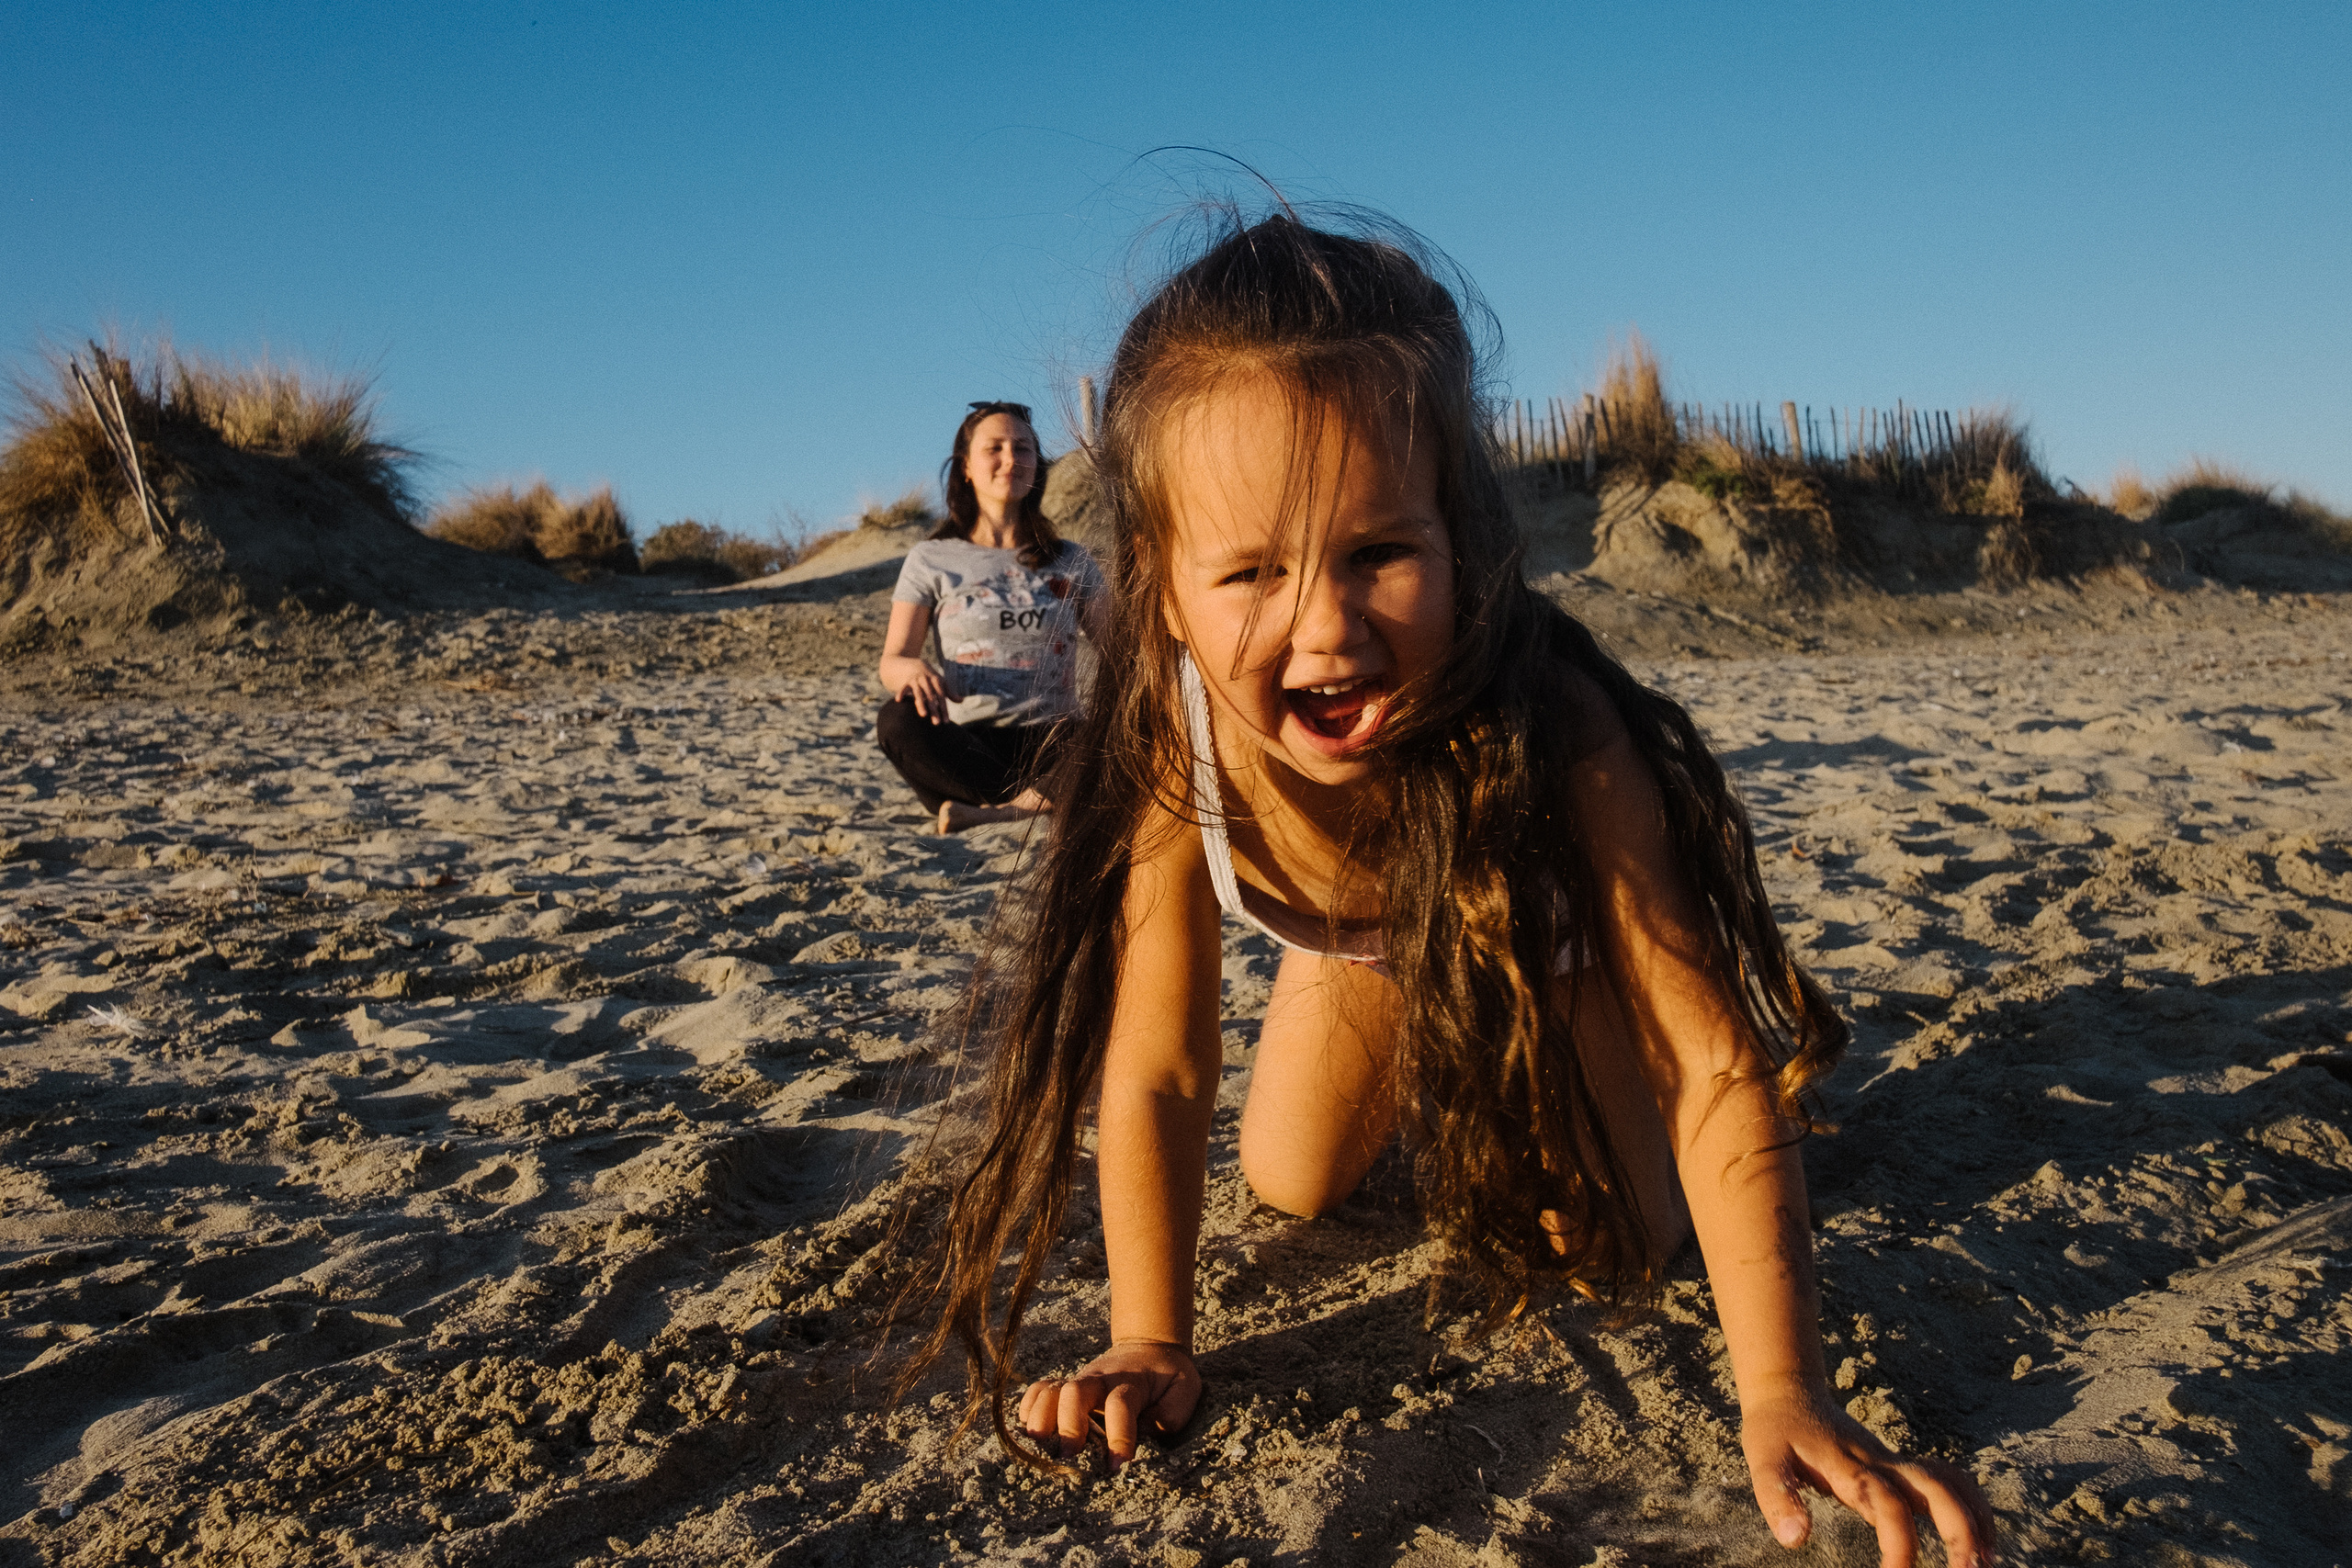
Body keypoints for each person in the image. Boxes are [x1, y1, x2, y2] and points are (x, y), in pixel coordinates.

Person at [907, 214, 1996, 1568]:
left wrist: (1786, 1389)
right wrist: (1150, 1335)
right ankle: (1415, 1002)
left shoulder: (1562, 720)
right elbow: (1162, 1069)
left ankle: (1517, 1039)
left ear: (1463, 530)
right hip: (1365, 958)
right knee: (1292, 1182)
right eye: (1250, 570)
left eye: (1379, 551)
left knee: (1614, 1241)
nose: (1327, 624)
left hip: (1560, 956)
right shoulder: (1167, 731)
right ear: (1169, 590)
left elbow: (1713, 1061)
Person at [876, 400, 1104, 834]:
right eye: (994, 448)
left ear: (1037, 465)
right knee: (896, 719)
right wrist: (912, 670)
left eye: (1023, 449)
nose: (1010, 459)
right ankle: (1036, 802)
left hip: (1056, 740)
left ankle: (997, 813)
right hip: (970, 745)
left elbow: (1122, 648)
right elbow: (894, 659)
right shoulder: (931, 558)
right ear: (965, 467)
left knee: (1116, 730)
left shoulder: (1072, 560)